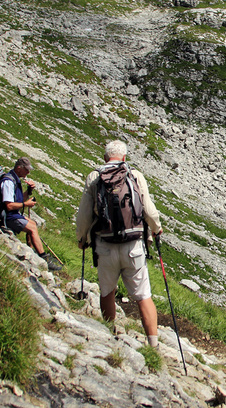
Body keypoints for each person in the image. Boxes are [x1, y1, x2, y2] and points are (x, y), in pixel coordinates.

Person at [76, 140, 164, 347]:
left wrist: (82, 238)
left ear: (105, 158)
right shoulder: (134, 175)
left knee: (107, 291)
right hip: (133, 245)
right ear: (124, 158)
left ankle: (109, 335)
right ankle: (153, 344)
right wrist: (156, 228)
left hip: (105, 244)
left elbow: (84, 214)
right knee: (143, 295)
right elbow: (148, 209)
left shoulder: (94, 177)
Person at [2, 157, 61, 271]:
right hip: (8, 216)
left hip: (13, 214)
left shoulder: (15, 179)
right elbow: (9, 205)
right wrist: (26, 205)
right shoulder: (8, 181)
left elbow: (18, 200)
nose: (28, 172)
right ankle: (44, 258)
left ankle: (31, 250)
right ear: (19, 168)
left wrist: (29, 191)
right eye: (26, 170)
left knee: (32, 223)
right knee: (32, 228)